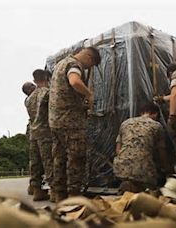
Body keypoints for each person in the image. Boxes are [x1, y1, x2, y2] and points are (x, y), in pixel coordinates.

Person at [49, 47, 101, 202]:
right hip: (71, 122)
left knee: (59, 157)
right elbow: (74, 81)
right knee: (76, 158)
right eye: (90, 65)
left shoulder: (60, 64)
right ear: (88, 57)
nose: (88, 68)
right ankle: (74, 195)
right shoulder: (74, 65)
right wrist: (89, 94)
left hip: (56, 121)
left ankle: (59, 193)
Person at [114, 103, 172, 193]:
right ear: (155, 114)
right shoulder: (157, 126)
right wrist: (167, 169)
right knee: (149, 187)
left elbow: (118, 150)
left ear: (141, 112)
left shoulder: (125, 123)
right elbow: (162, 153)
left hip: (121, 168)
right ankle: (137, 189)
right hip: (143, 171)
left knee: (133, 177)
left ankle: (128, 186)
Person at [28, 69, 53, 201]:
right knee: (49, 161)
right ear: (47, 78)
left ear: (34, 80)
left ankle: (37, 190)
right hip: (46, 132)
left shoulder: (29, 98)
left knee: (36, 163)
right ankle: (55, 191)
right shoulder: (48, 93)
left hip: (33, 133)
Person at [22, 81, 36, 196]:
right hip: (40, 130)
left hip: (32, 131)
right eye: (31, 85)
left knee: (34, 160)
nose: (34, 86)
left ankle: (33, 186)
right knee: (45, 160)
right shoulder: (35, 97)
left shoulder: (27, 100)